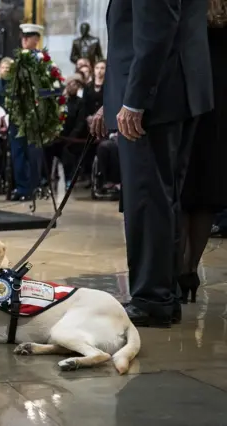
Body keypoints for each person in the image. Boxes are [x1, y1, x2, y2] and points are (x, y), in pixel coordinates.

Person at [91, 0, 213, 327]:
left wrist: (134, 99)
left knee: (147, 200)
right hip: (172, 92)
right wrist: (115, 99)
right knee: (163, 200)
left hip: (155, 99)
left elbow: (155, 30)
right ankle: (164, 294)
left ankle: (151, 299)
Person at [179, 0, 227, 303]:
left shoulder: (189, 10)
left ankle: (176, 271)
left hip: (191, 100)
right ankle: (190, 269)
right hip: (221, 110)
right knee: (206, 193)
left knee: (182, 189)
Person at [10, 23, 45, 201]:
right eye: (23, 36)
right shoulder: (16, 60)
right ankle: (21, 188)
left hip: (34, 112)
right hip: (17, 113)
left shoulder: (42, 60)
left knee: (33, 152)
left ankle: (33, 186)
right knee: (18, 151)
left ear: (36, 39)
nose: (24, 40)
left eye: (29, 36)